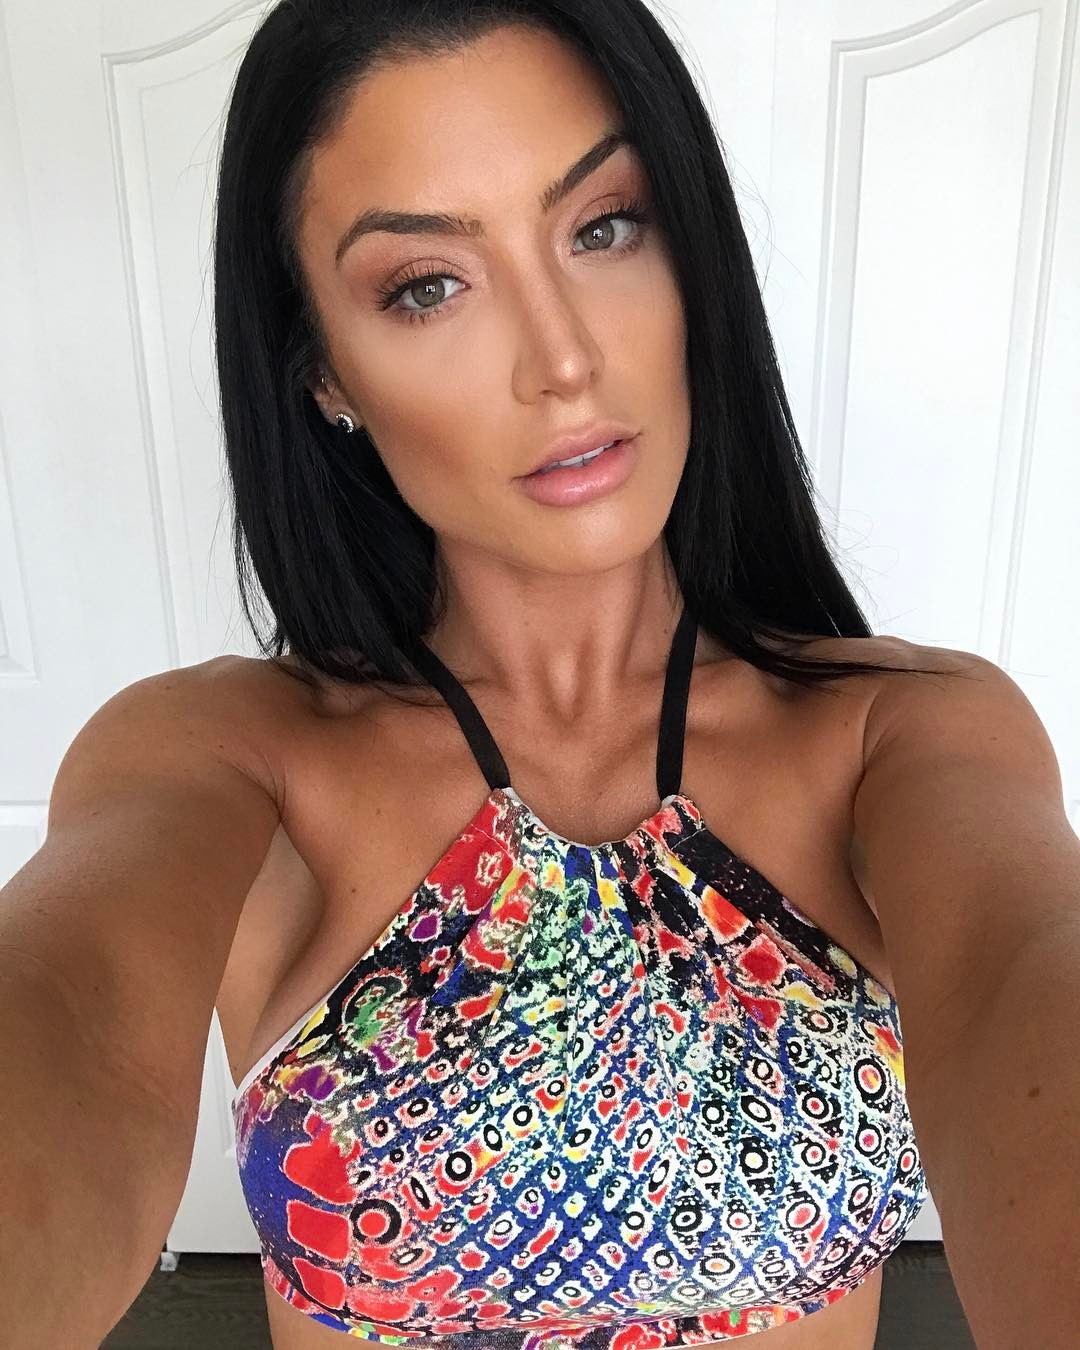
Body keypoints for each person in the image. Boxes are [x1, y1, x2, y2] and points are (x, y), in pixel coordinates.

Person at [3, 1, 1077, 1348]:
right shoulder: (226, 762)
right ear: (326, 374)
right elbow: (71, 1029)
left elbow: (1034, 981)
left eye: (604, 226)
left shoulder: (906, 743)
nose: (563, 359)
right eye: (427, 285)